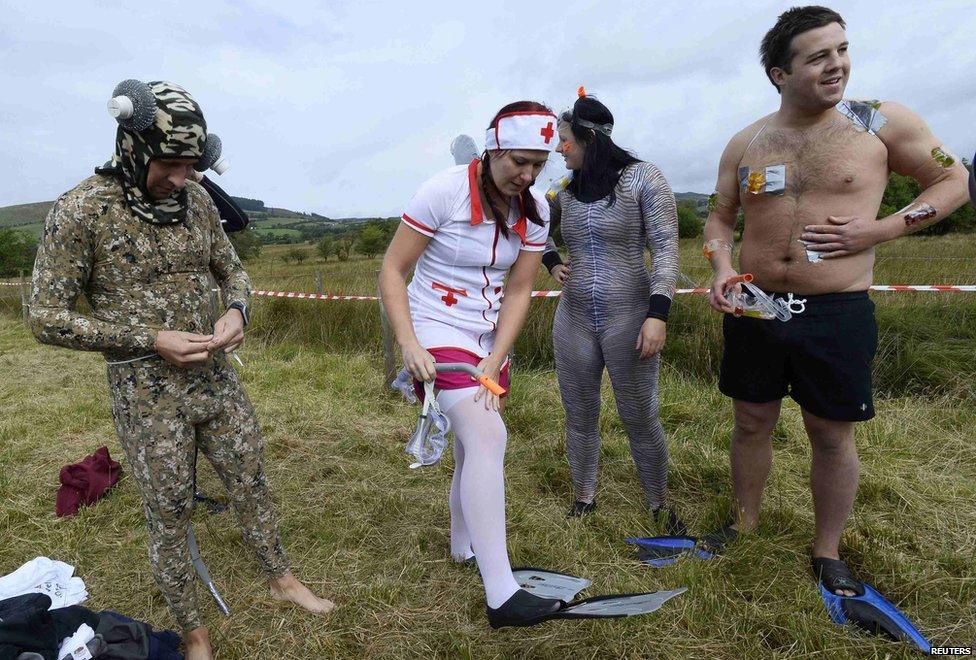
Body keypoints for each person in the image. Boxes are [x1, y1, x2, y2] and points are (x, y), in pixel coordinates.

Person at [29, 80, 333, 660]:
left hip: (217, 379)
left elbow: (232, 270)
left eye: (190, 165)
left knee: (250, 476)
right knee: (169, 508)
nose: (180, 178)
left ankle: (281, 578)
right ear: (132, 146)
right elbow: (44, 318)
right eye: (169, 163)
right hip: (146, 391)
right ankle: (194, 631)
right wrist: (148, 338)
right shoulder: (81, 211)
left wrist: (237, 309)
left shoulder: (196, 199)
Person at [701, 6, 969, 596]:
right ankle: (744, 527)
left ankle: (827, 552)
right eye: (818, 56)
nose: (838, 64)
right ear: (778, 73)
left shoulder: (878, 121)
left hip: (837, 309)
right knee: (750, 421)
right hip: (754, 306)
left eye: (842, 50)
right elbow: (719, 218)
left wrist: (880, 230)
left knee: (829, 433)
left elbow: (953, 181)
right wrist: (721, 266)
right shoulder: (747, 141)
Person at [379, 101, 565, 628]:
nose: (528, 176)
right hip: (433, 327)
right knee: (489, 436)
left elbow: (522, 287)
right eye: (519, 162)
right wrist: (409, 343)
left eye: (539, 164)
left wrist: (498, 354)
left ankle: (464, 548)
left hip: (487, 337)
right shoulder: (442, 191)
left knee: (469, 442)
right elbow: (393, 270)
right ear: (493, 149)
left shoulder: (536, 209)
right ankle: (501, 593)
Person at [542, 91, 681, 530]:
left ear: (588, 138)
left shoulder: (643, 179)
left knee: (639, 415)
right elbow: (529, 228)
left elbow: (665, 249)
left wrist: (657, 314)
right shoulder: (564, 190)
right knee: (579, 412)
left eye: (564, 140)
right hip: (575, 317)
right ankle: (584, 498)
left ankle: (657, 503)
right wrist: (552, 261)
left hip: (632, 314)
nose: (559, 149)